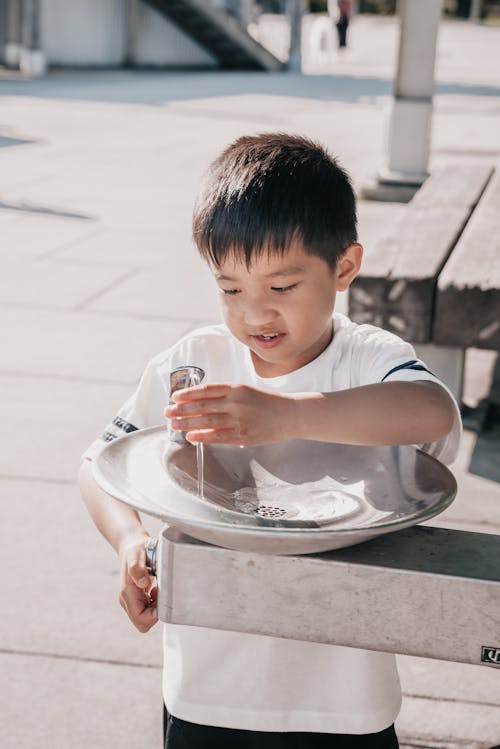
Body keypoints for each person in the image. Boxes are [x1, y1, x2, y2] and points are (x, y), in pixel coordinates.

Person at [79, 133, 461, 748]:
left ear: (343, 268)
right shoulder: (195, 363)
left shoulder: (366, 359)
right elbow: (101, 462)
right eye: (231, 289)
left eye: (281, 288)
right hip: (208, 683)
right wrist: (130, 541)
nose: (254, 315)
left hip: (343, 695)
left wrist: (288, 416)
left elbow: (430, 411)